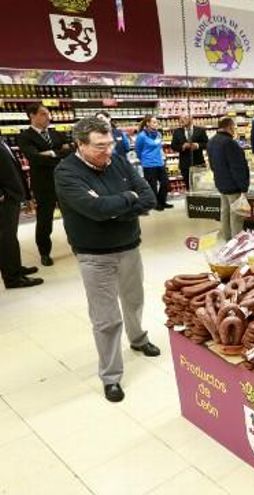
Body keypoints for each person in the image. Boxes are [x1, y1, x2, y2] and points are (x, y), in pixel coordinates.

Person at [54, 117, 160, 403]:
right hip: (94, 255)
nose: (108, 152)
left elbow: (148, 197)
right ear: (81, 145)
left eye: (111, 143)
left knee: (134, 300)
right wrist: (127, 198)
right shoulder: (66, 172)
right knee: (106, 318)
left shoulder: (120, 161)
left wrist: (115, 208)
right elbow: (95, 208)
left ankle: (138, 340)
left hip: (129, 246)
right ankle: (111, 376)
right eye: (100, 147)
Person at [18, 103, 73, 266]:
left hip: (64, 182)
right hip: (43, 185)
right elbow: (34, 158)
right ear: (32, 116)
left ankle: (78, 245)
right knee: (44, 221)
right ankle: (44, 253)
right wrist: (58, 153)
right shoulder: (25, 137)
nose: (48, 117)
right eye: (43, 114)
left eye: (48, 114)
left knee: (71, 216)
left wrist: (50, 153)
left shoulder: (56, 133)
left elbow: (71, 150)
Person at [0, 137, 42, 289]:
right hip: (4, 199)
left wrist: (25, 194)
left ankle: (15, 268)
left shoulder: (2, 141)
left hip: (12, 196)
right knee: (6, 239)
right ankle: (12, 278)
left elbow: (14, 168)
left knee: (10, 237)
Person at [207, 117, 250, 241]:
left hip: (221, 184)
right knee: (236, 215)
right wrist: (243, 186)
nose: (234, 130)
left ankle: (228, 240)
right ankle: (237, 244)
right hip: (233, 185)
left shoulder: (211, 141)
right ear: (230, 127)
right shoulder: (229, 143)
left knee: (225, 213)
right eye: (234, 127)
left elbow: (212, 165)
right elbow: (237, 167)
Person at [135, 115, 172, 211]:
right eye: (154, 122)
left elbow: (159, 148)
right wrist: (143, 159)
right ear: (148, 123)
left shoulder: (159, 134)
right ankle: (155, 204)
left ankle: (162, 201)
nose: (156, 124)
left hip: (159, 162)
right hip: (148, 164)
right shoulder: (142, 136)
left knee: (165, 183)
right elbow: (138, 150)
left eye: (157, 122)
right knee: (153, 186)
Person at [170, 115, 209, 190]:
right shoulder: (177, 131)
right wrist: (182, 147)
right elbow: (173, 146)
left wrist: (197, 145)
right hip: (185, 164)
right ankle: (191, 200)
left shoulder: (200, 130)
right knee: (188, 186)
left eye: (184, 118)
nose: (181, 120)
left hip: (198, 163)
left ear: (191, 119)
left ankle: (200, 200)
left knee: (200, 186)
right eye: (181, 118)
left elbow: (206, 144)